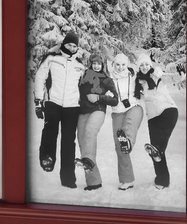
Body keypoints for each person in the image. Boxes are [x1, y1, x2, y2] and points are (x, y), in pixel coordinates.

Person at [33, 31, 84, 189]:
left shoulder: (80, 65)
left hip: (72, 106)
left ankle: (68, 178)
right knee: (50, 131)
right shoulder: (51, 59)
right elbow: (39, 78)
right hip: (53, 102)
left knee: (68, 141)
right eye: (69, 44)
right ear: (63, 44)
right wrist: (38, 101)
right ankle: (47, 158)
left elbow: (85, 85)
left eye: (74, 46)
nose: (71, 48)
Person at [135, 53, 179, 190]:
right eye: (141, 65)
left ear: (150, 65)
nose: (144, 67)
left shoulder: (156, 75)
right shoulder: (138, 83)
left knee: (158, 148)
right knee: (156, 151)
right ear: (138, 67)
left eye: (146, 64)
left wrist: (180, 73)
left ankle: (158, 150)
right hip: (153, 117)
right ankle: (162, 180)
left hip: (167, 110)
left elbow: (172, 78)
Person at [76, 50, 117, 191]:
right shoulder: (83, 77)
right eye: (94, 63)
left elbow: (115, 99)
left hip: (98, 110)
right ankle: (94, 182)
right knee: (83, 143)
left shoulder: (107, 80)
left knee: (90, 131)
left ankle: (88, 161)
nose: (96, 66)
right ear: (90, 64)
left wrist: (99, 97)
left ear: (103, 65)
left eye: (99, 63)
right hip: (82, 112)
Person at [109, 52, 143, 191]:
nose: (120, 67)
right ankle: (127, 180)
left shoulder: (133, 76)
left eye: (123, 64)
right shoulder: (109, 79)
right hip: (117, 111)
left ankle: (127, 141)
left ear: (127, 64)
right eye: (117, 64)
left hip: (134, 107)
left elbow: (148, 73)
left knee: (128, 128)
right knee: (119, 145)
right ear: (113, 65)